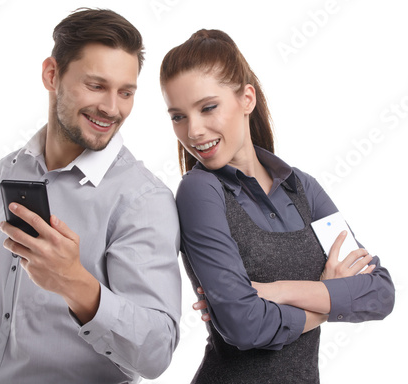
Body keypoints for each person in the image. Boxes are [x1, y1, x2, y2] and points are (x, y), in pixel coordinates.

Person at [0, 8, 181, 384]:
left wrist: (74, 281)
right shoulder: (8, 172)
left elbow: (156, 353)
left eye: (125, 92)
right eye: (96, 86)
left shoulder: (143, 199)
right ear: (51, 74)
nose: (112, 108)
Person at [160, 29, 395, 383]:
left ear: (247, 99)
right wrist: (326, 298)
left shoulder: (302, 189)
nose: (193, 131)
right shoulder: (200, 191)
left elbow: (379, 293)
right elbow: (244, 327)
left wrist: (276, 291)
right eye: (178, 116)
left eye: (208, 108)